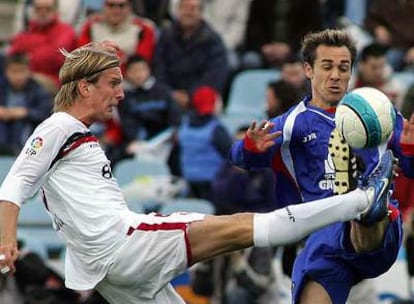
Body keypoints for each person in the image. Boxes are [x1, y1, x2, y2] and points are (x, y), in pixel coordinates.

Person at [0, 41, 396, 304]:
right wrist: (6, 241)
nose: (121, 94)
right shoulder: (57, 127)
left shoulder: (75, 135)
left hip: (107, 274)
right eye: (112, 84)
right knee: (247, 227)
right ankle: (363, 200)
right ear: (85, 88)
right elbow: (14, 183)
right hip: (128, 245)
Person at [229, 28, 414, 303]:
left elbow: (410, 168)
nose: (336, 75)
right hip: (323, 240)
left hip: (378, 234)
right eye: (327, 66)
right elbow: (241, 159)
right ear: (308, 69)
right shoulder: (292, 123)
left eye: (343, 67)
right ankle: (361, 204)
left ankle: (366, 204)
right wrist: (249, 147)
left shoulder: (379, 112)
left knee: (366, 210)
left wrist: (409, 147)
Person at [7, 0, 77, 93]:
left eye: (47, 9)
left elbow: (55, 57)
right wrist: (44, 47)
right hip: (24, 77)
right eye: (38, 9)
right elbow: (12, 54)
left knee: (28, 80)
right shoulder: (28, 31)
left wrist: (30, 55)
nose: (42, 12)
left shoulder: (65, 30)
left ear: (55, 10)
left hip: (55, 82)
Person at [0, 53, 52, 155]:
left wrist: (26, 113)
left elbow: (47, 114)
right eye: (14, 71)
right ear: (6, 72)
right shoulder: (2, 87)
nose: (19, 76)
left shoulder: (38, 89)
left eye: (22, 71)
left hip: (28, 136)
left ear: (29, 71)